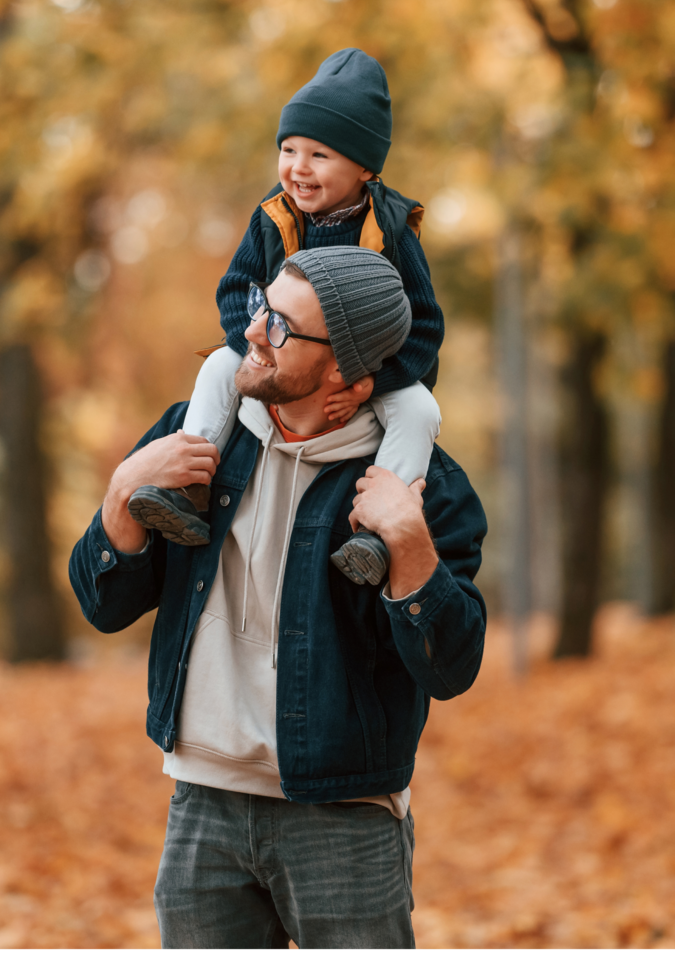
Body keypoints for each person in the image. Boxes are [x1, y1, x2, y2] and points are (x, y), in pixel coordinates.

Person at [68, 247, 487, 949]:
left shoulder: (425, 488)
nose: (254, 330)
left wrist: (411, 550)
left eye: (283, 328)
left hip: (344, 818)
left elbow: (452, 667)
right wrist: (121, 493)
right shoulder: (201, 439)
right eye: (264, 306)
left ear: (349, 379)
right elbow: (103, 605)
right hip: (203, 809)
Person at [124, 47, 444, 588]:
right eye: (289, 149)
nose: (298, 167)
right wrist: (255, 347)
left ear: (365, 166)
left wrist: (371, 383)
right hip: (272, 347)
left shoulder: (388, 229)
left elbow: (425, 327)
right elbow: (234, 290)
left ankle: (377, 527)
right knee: (216, 370)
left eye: (320, 155)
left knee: (418, 411)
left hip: (362, 373)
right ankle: (190, 485)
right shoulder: (273, 215)